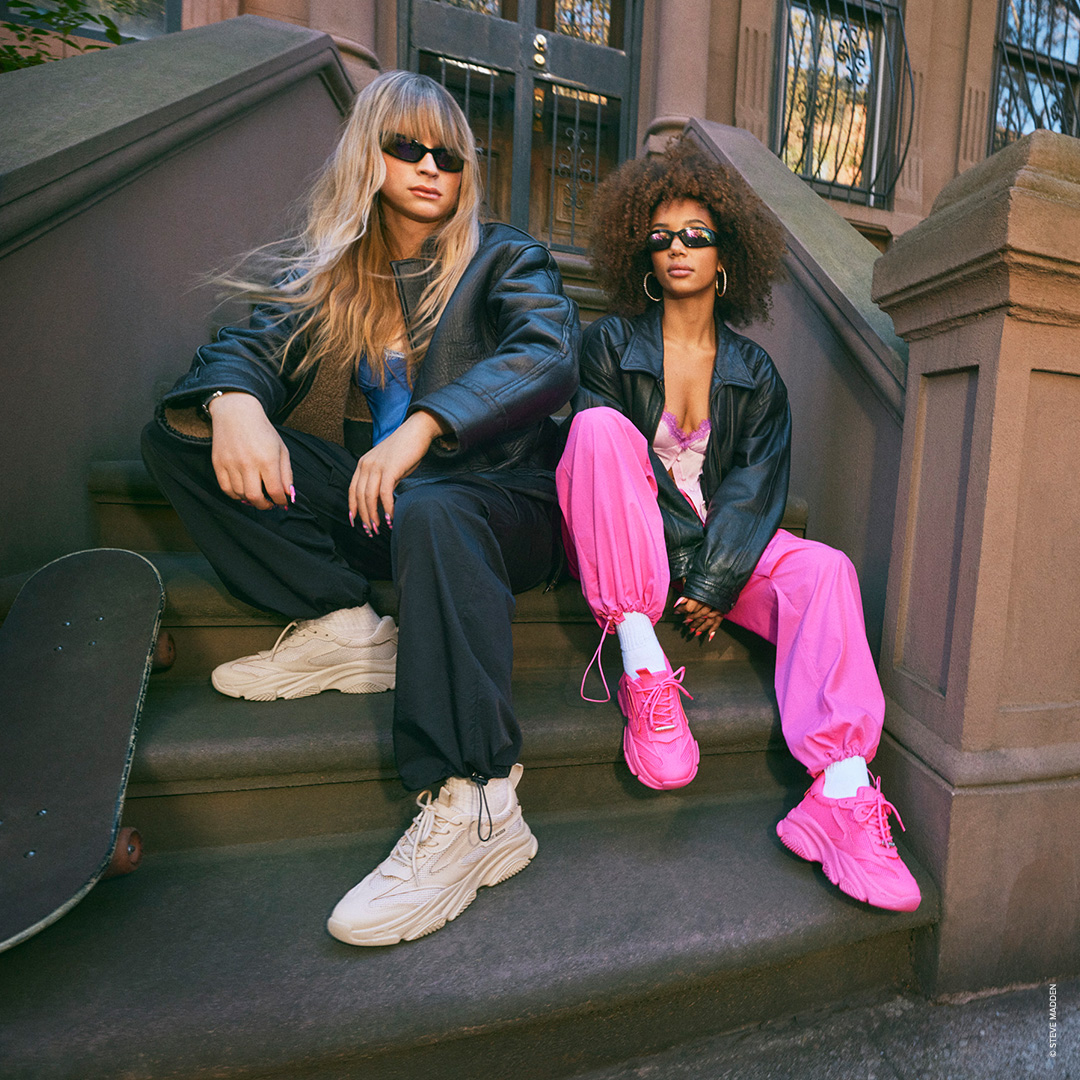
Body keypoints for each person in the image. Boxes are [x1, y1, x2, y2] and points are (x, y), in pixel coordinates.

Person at [142, 70, 580, 945]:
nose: (430, 167)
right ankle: (347, 624)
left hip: (502, 508)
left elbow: (549, 352)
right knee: (181, 434)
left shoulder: (505, 257)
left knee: (436, 509)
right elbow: (248, 345)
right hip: (391, 513)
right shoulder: (339, 274)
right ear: (367, 156)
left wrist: (425, 426)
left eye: (449, 155)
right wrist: (234, 401)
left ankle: (481, 800)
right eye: (406, 146)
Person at [556, 139, 920, 913]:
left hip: (715, 547)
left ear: (726, 255)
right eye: (661, 236)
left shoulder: (756, 374)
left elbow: (757, 486)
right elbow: (606, 473)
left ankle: (840, 795)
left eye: (696, 234)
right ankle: (643, 670)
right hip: (634, 547)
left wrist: (718, 578)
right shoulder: (608, 344)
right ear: (641, 252)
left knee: (826, 569)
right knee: (595, 429)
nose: (677, 247)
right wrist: (691, 571)